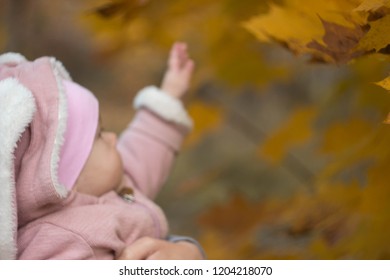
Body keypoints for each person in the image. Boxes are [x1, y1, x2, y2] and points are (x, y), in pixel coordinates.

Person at [0, 42, 205, 260]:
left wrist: (169, 96)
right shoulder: (62, 241)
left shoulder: (110, 188)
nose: (113, 138)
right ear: (64, 181)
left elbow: (142, 153)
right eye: (99, 135)